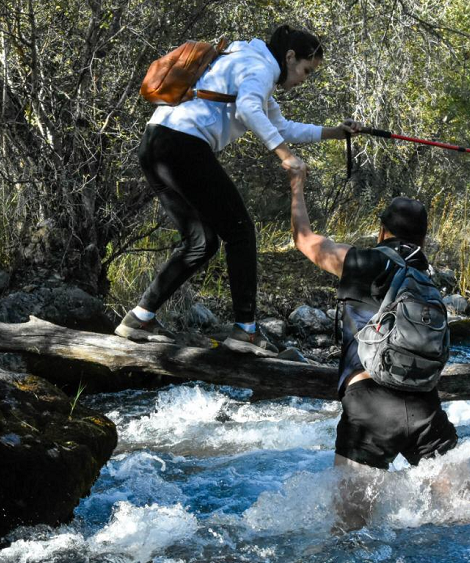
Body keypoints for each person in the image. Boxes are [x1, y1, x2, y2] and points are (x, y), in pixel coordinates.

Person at [115, 25, 357, 351]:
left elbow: (280, 125)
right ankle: (245, 330)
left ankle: (139, 318)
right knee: (240, 231)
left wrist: (334, 132)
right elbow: (248, 110)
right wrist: (285, 156)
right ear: (289, 57)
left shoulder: (248, 60)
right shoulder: (259, 67)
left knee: (201, 242)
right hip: (182, 145)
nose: (303, 79)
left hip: (156, 142)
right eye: (305, 70)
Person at [286, 158, 459, 529]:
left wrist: (297, 184)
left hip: (369, 409)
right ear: (422, 239)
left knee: (348, 536)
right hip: (425, 409)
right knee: (464, 515)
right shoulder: (427, 280)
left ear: (381, 231)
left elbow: (303, 239)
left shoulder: (362, 262)